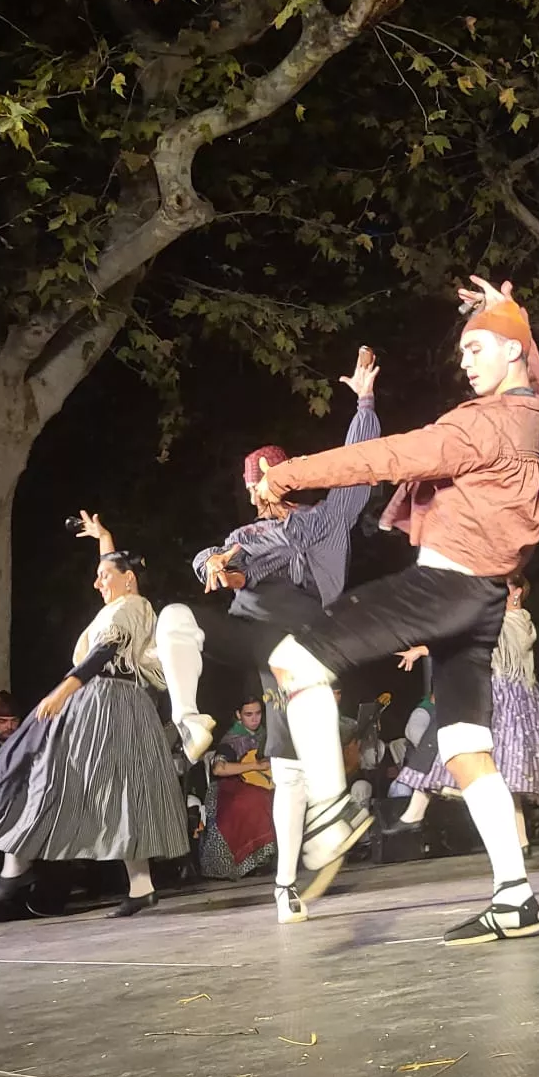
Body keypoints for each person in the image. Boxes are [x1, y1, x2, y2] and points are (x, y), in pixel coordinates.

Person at [256, 278, 539, 942]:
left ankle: (333, 812)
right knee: (461, 746)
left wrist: (288, 475)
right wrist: (511, 317)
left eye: (478, 348)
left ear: (510, 353)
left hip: (448, 585)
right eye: (464, 352)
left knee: (293, 660)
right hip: (487, 601)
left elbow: (385, 456)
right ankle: (515, 896)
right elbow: (532, 373)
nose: (466, 360)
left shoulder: (478, 426)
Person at [153, 348, 380, 916]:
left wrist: (365, 402)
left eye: (263, 486)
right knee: (175, 618)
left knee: (290, 770)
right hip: (258, 640)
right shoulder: (249, 535)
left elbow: (356, 467)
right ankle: (190, 718)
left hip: (309, 645)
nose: (256, 497)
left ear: (285, 480)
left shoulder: (324, 521)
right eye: (251, 488)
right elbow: (226, 558)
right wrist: (214, 564)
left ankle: (291, 874)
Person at [0, 515, 188, 919]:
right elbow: (116, 568)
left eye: (104, 576)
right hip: (119, 704)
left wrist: (63, 690)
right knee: (120, 789)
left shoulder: (131, 606)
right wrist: (104, 540)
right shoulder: (126, 600)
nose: (97, 582)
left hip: (105, 700)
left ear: (129, 579)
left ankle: (15, 866)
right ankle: (140, 885)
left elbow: (103, 653)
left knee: (51, 776)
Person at [395, 575, 539, 851]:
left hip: (507, 702)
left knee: (502, 770)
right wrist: (423, 649)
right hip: (495, 697)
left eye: (506, 587)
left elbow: (478, 640)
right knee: (498, 770)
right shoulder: (496, 620)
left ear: (518, 592)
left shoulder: (518, 619)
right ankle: (520, 841)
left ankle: (416, 811)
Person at [196, 697, 280, 879]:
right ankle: (253, 859)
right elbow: (219, 768)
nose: (254, 719)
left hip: (262, 782)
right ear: (238, 715)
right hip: (230, 788)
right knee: (254, 800)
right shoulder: (232, 740)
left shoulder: (265, 735)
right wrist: (256, 766)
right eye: (249, 714)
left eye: (258, 714)